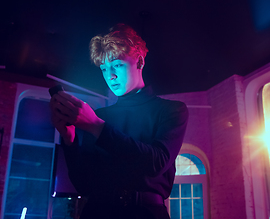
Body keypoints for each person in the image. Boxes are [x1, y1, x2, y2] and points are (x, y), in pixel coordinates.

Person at [50, 23, 188, 219]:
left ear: (140, 61)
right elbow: (83, 184)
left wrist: (96, 126)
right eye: (104, 68)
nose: (110, 75)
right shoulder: (99, 115)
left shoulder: (171, 110)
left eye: (117, 65)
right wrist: (69, 139)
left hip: (145, 213)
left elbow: (156, 163)